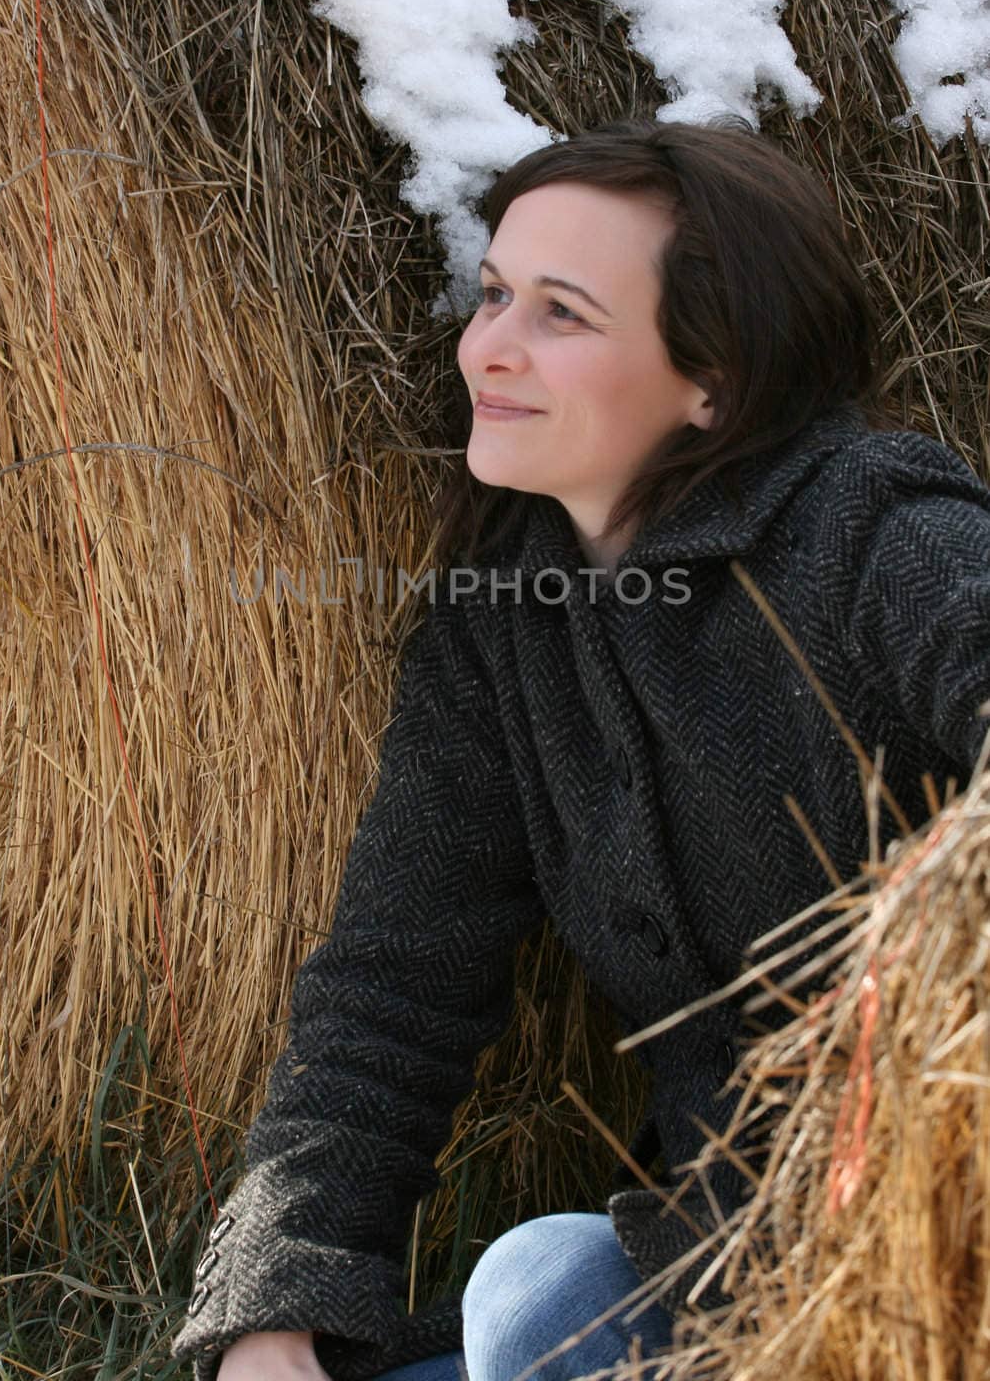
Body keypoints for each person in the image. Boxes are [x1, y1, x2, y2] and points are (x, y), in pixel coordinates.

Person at [172, 117, 990, 1381]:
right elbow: (394, 987)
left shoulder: (873, 538)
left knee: (539, 1298)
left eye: (561, 312)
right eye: (494, 293)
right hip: (721, 1282)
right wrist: (274, 1305)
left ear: (713, 377)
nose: (486, 348)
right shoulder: (501, 628)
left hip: (933, 1277)